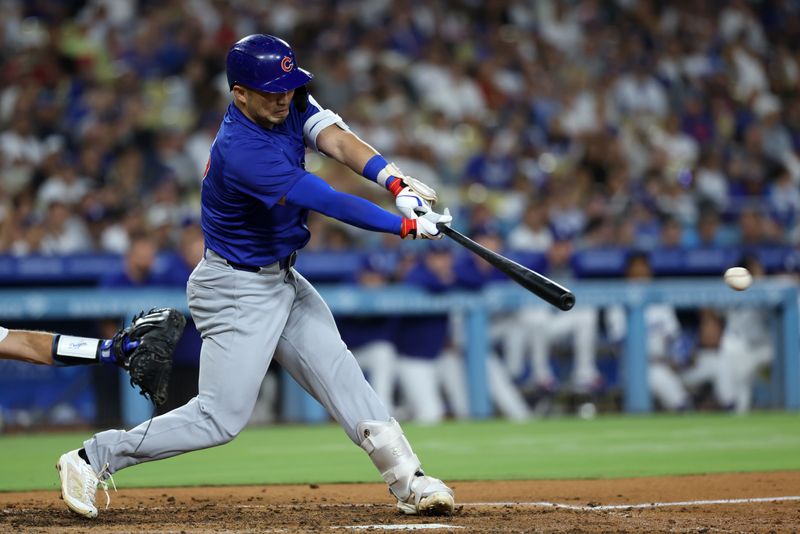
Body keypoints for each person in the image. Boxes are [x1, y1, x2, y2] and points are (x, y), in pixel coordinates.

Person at [56, 34, 455, 519]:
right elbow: (323, 197)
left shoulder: (285, 101)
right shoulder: (242, 150)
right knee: (218, 420)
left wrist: (394, 180)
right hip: (235, 288)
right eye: (270, 90)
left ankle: (409, 481)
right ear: (239, 93)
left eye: (287, 87)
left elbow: (334, 138)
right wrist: (404, 225)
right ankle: (91, 456)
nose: (283, 96)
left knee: (343, 375)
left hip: (281, 278)